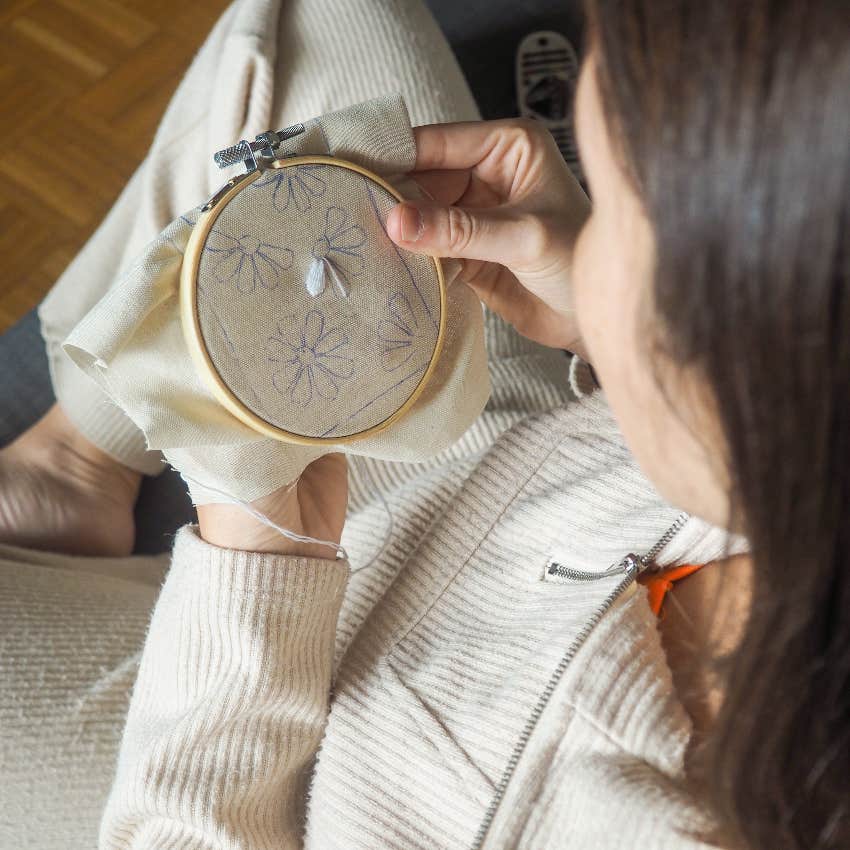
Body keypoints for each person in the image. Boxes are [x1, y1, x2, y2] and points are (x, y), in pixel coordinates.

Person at [0, 1, 846, 850]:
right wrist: (601, 337)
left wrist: (255, 583)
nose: (576, 230)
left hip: (294, 758)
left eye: (614, 218)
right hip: (481, 473)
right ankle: (76, 466)